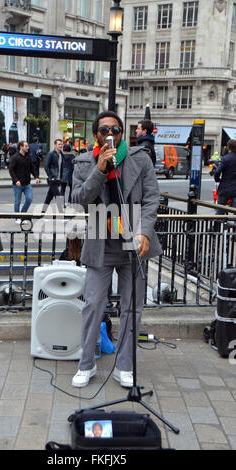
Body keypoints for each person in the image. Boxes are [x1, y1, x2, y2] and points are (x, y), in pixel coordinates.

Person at [71, 110, 161, 389]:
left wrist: (145, 231)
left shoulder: (140, 159)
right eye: (103, 130)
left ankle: (125, 365)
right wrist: (99, 169)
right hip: (101, 234)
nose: (110, 134)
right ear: (95, 135)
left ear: (123, 133)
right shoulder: (84, 161)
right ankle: (86, 363)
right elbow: (79, 199)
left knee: (131, 307)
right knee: (93, 304)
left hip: (134, 236)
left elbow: (151, 198)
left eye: (116, 130)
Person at [9, 140, 40, 224]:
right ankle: (17, 217)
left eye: (27, 146)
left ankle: (22, 214)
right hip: (18, 184)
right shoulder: (15, 157)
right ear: (21, 147)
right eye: (26, 146)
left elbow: (32, 168)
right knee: (17, 201)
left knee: (29, 199)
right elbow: (11, 170)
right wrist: (16, 180)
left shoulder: (28, 157)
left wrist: (36, 177)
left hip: (27, 183)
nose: (28, 148)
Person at [214, 139, 236, 215]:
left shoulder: (225, 159)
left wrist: (218, 179)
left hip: (225, 188)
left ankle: (216, 226)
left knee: (219, 212)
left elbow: (217, 172)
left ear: (228, 147)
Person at [42, 138, 64, 213]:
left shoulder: (61, 154)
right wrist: (50, 177)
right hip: (52, 179)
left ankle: (42, 212)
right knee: (57, 196)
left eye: (61, 144)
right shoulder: (51, 154)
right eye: (59, 144)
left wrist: (61, 178)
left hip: (58, 179)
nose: (60, 146)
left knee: (49, 196)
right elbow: (46, 166)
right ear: (55, 145)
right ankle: (61, 213)